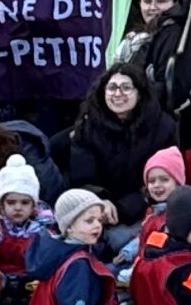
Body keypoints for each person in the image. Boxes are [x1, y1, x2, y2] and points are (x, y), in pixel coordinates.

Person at [59, 63, 180, 244]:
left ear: (139, 93)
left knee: (121, 240)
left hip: (145, 208)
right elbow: (82, 177)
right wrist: (102, 201)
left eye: (126, 88)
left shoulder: (163, 127)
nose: (118, 94)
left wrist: (123, 208)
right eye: (112, 88)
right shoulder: (88, 126)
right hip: (97, 209)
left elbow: (166, 177)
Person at [27, 189, 130, 305]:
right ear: (69, 226)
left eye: (99, 220)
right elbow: (75, 300)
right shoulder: (78, 262)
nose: (97, 225)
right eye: (89, 221)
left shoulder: (61, 249)